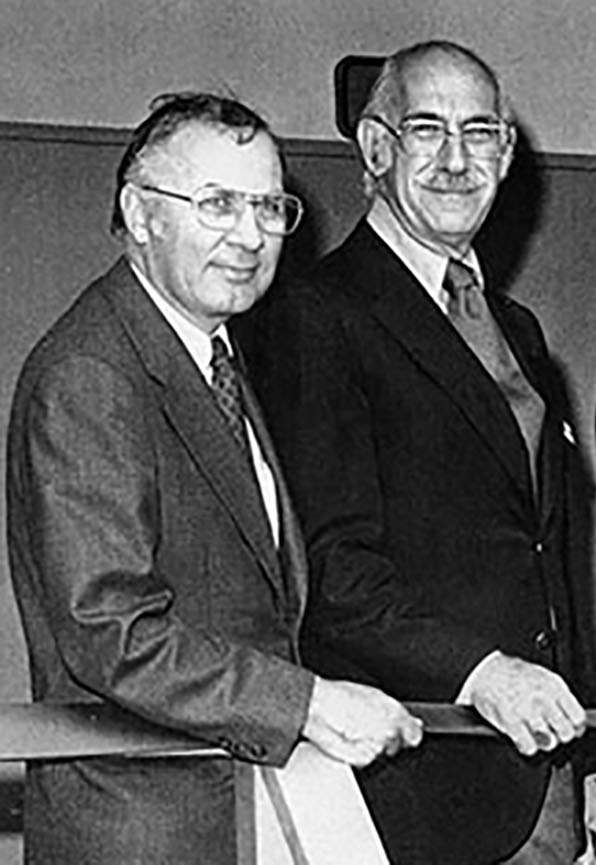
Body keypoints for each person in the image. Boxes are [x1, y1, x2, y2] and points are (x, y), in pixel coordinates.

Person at [6, 92, 422, 865]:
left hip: (228, 813)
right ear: (139, 212)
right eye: (218, 203)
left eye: (269, 206)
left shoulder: (210, 355)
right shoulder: (92, 373)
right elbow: (111, 632)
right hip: (144, 830)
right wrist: (306, 703)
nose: (250, 234)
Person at [246, 41, 596, 865]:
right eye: (428, 129)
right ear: (376, 149)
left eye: (480, 133)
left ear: (508, 153)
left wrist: (583, 769)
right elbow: (332, 571)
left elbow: (543, 561)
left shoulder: (517, 330)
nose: (457, 159)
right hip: (408, 792)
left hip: (541, 780)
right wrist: (482, 675)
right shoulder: (313, 316)